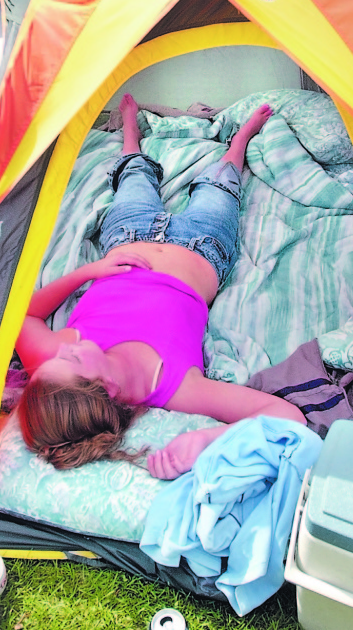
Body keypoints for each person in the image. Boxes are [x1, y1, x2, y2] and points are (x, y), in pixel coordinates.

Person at [16, 95, 305, 479]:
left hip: (128, 236)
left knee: (134, 178)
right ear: (108, 386)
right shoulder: (178, 389)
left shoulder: (55, 367)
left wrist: (90, 271)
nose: (60, 350)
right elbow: (288, 417)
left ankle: (130, 132)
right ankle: (239, 143)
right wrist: (209, 438)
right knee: (218, 186)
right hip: (202, 245)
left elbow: (26, 314)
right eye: (69, 360)